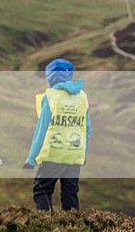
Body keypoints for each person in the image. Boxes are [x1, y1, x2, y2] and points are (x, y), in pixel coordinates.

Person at [23, 58, 90, 211]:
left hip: (53, 153)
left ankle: (47, 228)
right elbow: (87, 128)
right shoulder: (82, 97)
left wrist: (32, 158)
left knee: (42, 190)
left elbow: (41, 129)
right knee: (70, 193)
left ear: (50, 76)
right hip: (74, 154)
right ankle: (72, 228)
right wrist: (83, 155)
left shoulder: (51, 97)